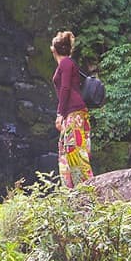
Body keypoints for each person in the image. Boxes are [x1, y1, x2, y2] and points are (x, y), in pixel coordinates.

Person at [50, 31, 93, 188]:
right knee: (65, 151)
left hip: (74, 112)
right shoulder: (67, 63)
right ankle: (70, 190)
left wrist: (60, 114)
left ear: (54, 49)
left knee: (75, 150)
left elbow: (66, 88)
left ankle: (86, 188)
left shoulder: (66, 63)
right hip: (72, 113)